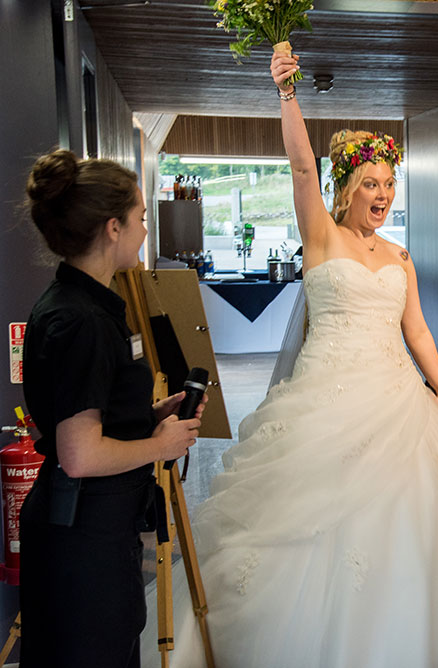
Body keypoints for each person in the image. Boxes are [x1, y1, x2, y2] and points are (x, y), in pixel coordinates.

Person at [139, 49, 438, 668]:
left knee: (417, 522)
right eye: (371, 184)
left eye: (389, 184)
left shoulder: (399, 257)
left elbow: (418, 330)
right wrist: (287, 93)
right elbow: (301, 167)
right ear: (348, 189)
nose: (382, 195)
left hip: (398, 399)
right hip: (325, 398)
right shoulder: (321, 237)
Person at [18, 149, 204, 668]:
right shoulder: (83, 321)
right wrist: (160, 446)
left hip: (90, 530)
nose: (145, 231)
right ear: (113, 227)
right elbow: (80, 454)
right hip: (85, 541)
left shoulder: (80, 304)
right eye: (141, 218)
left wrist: (151, 417)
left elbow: (90, 413)